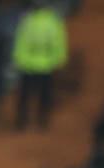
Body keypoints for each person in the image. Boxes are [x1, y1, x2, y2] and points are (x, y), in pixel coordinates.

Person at [13, 2, 68, 130]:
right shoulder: (45, 20)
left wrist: (18, 58)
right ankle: (29, 119)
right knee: (35, 94)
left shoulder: (34, 20)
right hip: (38, 63)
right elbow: (59, 41)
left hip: (36, 63)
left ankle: (32, 119)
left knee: (34, 94)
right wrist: (60, 59)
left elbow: (58, 40)